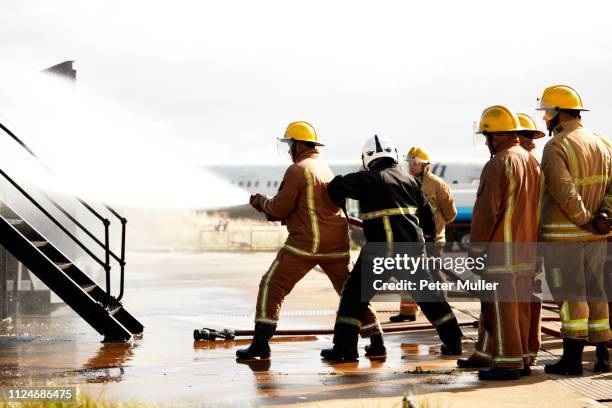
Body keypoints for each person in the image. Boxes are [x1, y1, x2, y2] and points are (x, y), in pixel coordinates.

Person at [236, 121, 383, 360]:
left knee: (272, 285)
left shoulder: (298, 170)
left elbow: (280, 208)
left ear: (297, 145)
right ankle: (376, 341)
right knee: (351, 293)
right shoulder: (325, 169)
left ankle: (260, 344)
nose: (288, 150)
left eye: (290, 144)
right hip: (336, 245)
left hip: (306, 244)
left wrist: (260, 202)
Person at [320, 134, 463, 361]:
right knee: (430, 297)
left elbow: (336, 186)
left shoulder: (368, 179)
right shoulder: (412, 182)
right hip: (413, 251)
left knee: (353, 296)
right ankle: (454, 343)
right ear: (394, 155)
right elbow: (428, 222)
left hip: (381, 251)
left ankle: (344, 350)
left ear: (368, 158)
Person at [457, 105, 542, 381]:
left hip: (501, 252)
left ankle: (507, 364)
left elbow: (485, 214)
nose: (485, 142)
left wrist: (476, 253)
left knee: (502, 308)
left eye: (487, 136)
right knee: (520, 308)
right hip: (527, 250)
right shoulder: (531, 161)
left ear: (497, 136)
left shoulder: (499, 163)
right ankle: (524, 358)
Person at [537, 85, 612, 375]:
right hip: (596, 235)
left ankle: (571, 358)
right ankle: (603, 355)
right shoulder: (602, 144)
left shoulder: (556, 146)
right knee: (596, 293)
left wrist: (585, 219)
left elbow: (562, 190)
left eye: (547, 113)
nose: (545, 119)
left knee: (570, 295)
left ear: (558, 113)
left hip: (565, 236)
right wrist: (603, 215)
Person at [390, 146, 457, 323]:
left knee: (434, 274)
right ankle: (408, 311)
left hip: (434, 240)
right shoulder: (405, 182)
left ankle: (443, 313)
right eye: (410, 163)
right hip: (412, 239)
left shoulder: (437, 184)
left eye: (415, 163)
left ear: (425, 165)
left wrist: (437, 227)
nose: (411, 167)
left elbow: (450, 212)